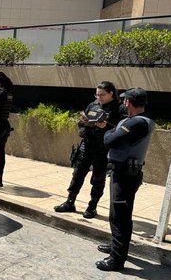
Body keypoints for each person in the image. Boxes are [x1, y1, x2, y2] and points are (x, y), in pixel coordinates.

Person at [96, 87, 154, 271]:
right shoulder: (136, 122)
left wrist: (107, 133)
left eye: (124, 100)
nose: (123, 103)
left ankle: (117, 259)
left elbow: (110, 141)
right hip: (124, 173)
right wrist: (112, 130)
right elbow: (118, 136)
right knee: (116, 214)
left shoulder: (136, 123)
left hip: (124, 175)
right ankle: (115, 246)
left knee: (120, 216)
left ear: (128, 102)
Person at [54, 81, 127, 218]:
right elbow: (81, 121)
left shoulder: (119, 108)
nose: (99, 97)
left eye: (102, 95)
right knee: (77, 175)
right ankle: (70, 202)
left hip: (103, 149)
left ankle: (92, 206)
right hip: (87, 144)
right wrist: (83, 128)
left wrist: (105, 127)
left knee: (98, 179)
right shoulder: (92, 105)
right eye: (97, 94)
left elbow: (120, 130)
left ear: (111, 93)